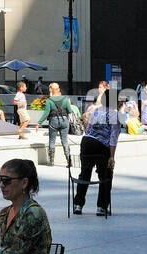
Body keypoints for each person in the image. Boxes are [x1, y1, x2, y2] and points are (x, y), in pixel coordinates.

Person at [73, 86, 124, 216]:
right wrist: (111, 157)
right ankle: (101, 206)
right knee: (105, 176)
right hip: (101, 146)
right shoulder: (115, 115)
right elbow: (113, 138)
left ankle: (78, 205)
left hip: (87, 142)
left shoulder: (96, 111)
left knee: (85, 174)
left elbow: (88, 128)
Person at [36, 83, 80, 166]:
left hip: (53, 121)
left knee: (52, 141)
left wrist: (39, 123)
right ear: (58, 89)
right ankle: (69, 162)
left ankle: (51, 162)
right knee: (65, 141)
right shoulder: (65, 99)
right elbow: (70, 111)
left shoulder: (49, 100)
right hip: (64, 121)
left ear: (50, 90)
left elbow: (46, 113)